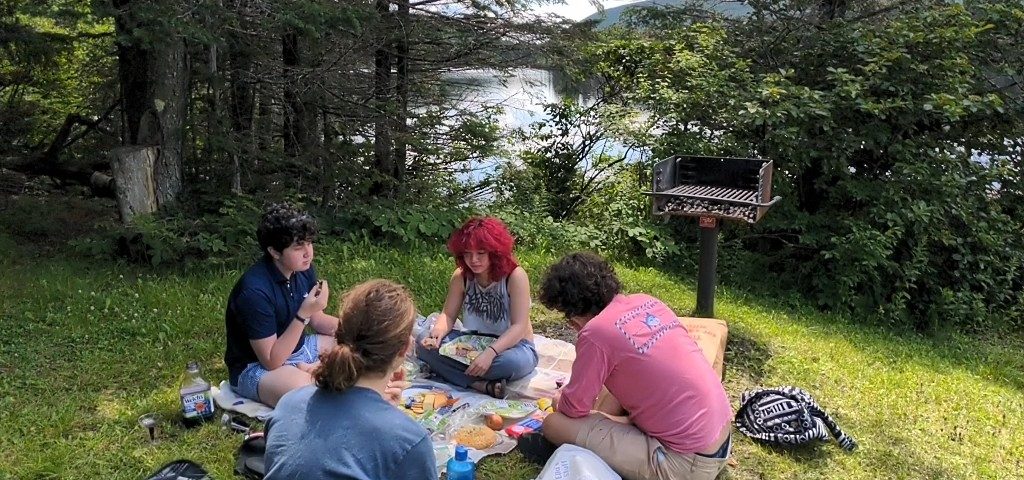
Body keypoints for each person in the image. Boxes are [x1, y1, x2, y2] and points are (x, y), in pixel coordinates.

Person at [523, 252, 733, 480]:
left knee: (554, 423)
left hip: (686, 463)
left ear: (572, 312)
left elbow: (573, 409)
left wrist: (560, 400)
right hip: (720, 439)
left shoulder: (595, 333)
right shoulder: (647, 302)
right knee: (615, 381)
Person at [264, 279, 435, 479]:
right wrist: (390, 421)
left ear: (339, 336)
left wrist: (384, 415)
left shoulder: (289, 404)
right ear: (404, 349)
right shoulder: (410, 441)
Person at [223, 203, 340, 407]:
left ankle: (309, 366)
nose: (308, 253)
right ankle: (309, 370)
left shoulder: (303, 269)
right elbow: (271, 360)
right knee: (311, 394)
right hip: (257, 366)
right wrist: (303, 313)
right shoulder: (254, 291)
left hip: (301, 348)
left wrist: (361, 330)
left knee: (359, 351)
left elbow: (319, 320)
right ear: (274, 252)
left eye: (309, 243)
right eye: (298, 247)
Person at [416, 216, 538, 398]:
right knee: (422, 343)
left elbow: (519, 326)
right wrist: (436, 335)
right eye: (467, 254)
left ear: (494, 252)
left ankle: (461, 377)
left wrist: (490, 353)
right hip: (471, 343)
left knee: (509, 364)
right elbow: (448, 315)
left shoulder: (515, 276)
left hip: (513, 347)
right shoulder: (461, 276)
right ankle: (481, 385)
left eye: (481, 253)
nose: (473, 260)